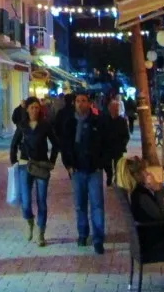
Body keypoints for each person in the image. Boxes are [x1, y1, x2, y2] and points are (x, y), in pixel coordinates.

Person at [61, 92, 112, 254]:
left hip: (94, 170)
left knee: (97, 205)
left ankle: (98, 238)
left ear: (89, 103)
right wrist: (68, 164)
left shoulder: (98, 121)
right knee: (80, 205)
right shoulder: (69, 123)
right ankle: (82, 234)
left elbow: (105, 144)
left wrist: (102, 164)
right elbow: (65, 145)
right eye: (78, 101)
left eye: (83, 101)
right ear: (74, 103)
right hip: (76, 170)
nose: (80, 104)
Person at [9, 97, 60, 246]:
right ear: (27, 109)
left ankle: (41, 233)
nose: (34, 110)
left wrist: (52, 161)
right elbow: (13, 145)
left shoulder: (45, 125)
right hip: (25, 166)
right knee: (25, 202)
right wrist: (14, 161)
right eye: (32, 107)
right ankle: (29, 221)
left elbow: (56, 144)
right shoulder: (22, 125)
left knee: (41, 201)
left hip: (42, 165)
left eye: (37, 107)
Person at [104, 98, 130, 187]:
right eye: (114, 108)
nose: (116, 110)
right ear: (109, 108)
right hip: (107, 146)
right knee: (107, 164)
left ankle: (116, 178)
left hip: (118, 146)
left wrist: (123, 143)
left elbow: (126, 135)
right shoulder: (105, 120)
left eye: (117, 108)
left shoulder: (122, 121)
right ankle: (109, 176)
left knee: (117, 164)